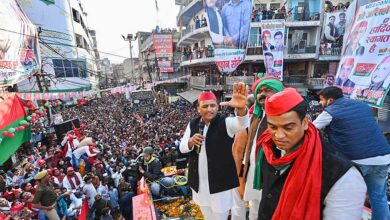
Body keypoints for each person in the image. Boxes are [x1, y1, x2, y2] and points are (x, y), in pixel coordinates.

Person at [255, 88, 366, 219]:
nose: (278, 136)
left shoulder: (343, 175)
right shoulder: (268, 149)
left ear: (305, 123)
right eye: (273, 127)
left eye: (288, 128)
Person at [313, 86, 390, 220]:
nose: (320, 103)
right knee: (378, 197)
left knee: (346, 199)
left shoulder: (330, 111)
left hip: (357, 160)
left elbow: (311, 129)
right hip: (383, 157)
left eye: (321, 100)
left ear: (330, 100)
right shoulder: (363, 105)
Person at [180, 82, 250, 220]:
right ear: (198, 108)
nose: (209, 109)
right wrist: (190, 142)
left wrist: (241, 110)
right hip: (200, 184)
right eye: (205, 106)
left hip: (220, 185)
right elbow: (182, 147)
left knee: (220, 216)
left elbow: (242, 123)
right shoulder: (193, 124)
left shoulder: (226, 122)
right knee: (207, 215)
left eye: (213, 105)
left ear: (217, 107)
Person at [231, 77, 284, 220]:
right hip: (255, 174)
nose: (262, 94)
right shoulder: (257, 117)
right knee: (255, 209)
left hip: (276, 177)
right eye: (259, 91)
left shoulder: (287, 117)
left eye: (268, 90)